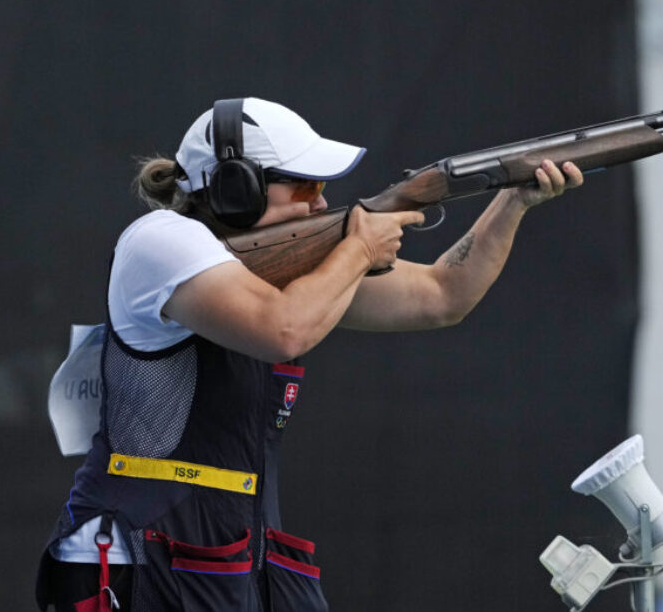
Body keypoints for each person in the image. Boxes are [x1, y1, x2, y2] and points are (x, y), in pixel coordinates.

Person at [35, 97, 583, 611]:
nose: (320, 202)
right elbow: (285, 330)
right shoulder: (158, 239)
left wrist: (513, 200)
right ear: (235, 188)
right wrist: (359, 249)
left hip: (225, 556)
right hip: (136, 558)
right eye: (305, 186)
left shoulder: (289, 268)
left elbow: (443, 295)